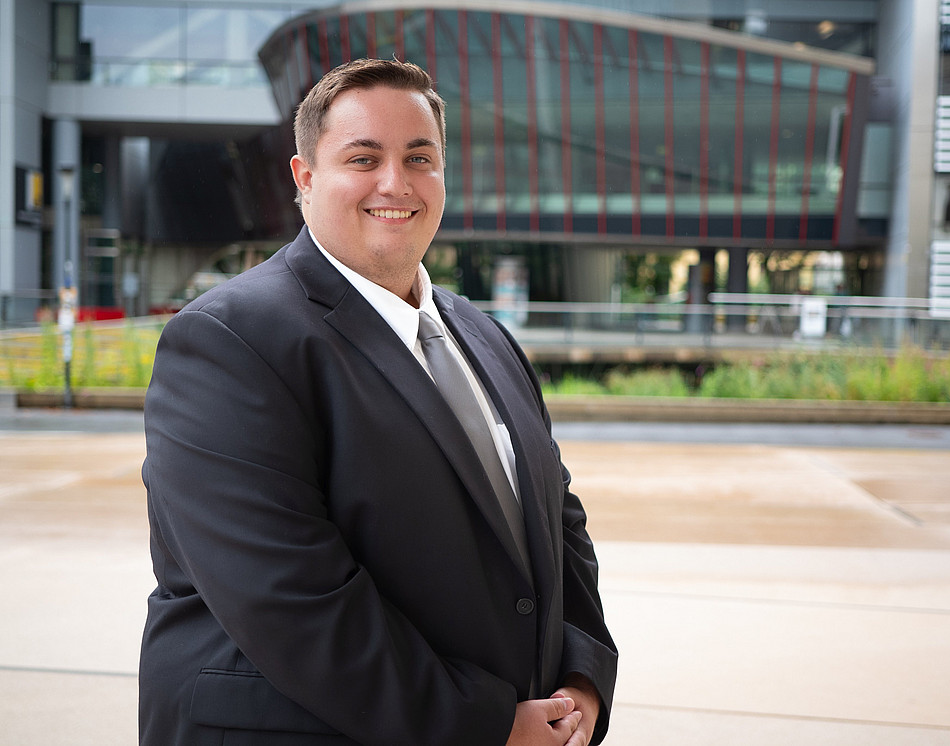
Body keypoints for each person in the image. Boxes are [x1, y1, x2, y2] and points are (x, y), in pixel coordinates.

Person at [139, 58, 617, 746]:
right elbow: (290, 599)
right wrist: (486, 725)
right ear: (305, 178)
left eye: (419, 157)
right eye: (363, 158)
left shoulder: (485, 337)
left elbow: (558, 523)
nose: (395, 182)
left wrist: (582, 679)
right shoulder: (228, 340)